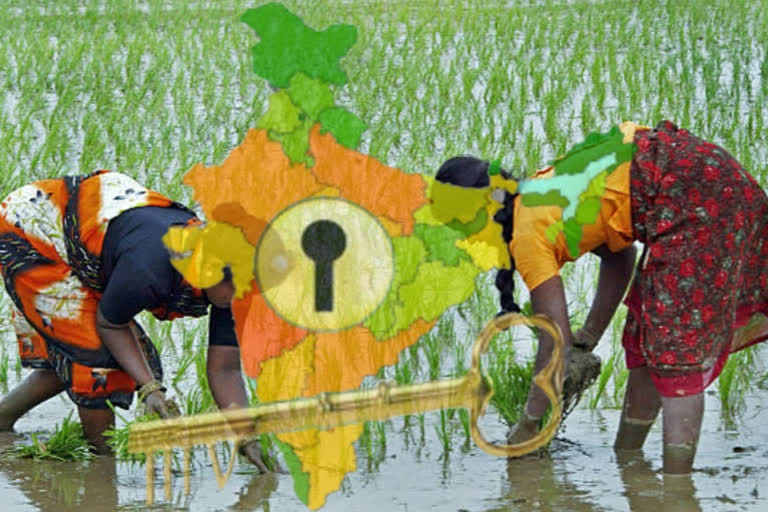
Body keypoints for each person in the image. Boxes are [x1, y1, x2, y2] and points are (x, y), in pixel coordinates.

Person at [436, 120, 768, 474]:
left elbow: (555, 340)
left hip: (694, 194)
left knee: (676, 351)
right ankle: (629, 459)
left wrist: (529, 424)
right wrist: (591, 335)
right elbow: (618, 253)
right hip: (702, 176)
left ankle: (676, 486)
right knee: (643, 336)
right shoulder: (539, 193)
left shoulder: (526, 233)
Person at [0, 170, 269, 470]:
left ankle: (3, 417)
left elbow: (226, 368)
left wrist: (247, 437)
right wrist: (150, 389)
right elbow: (110, 324)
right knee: (98, 357)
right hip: (35, 230)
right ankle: (103, 467)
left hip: (100, 236)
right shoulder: (153, 266)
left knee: (92, 349)